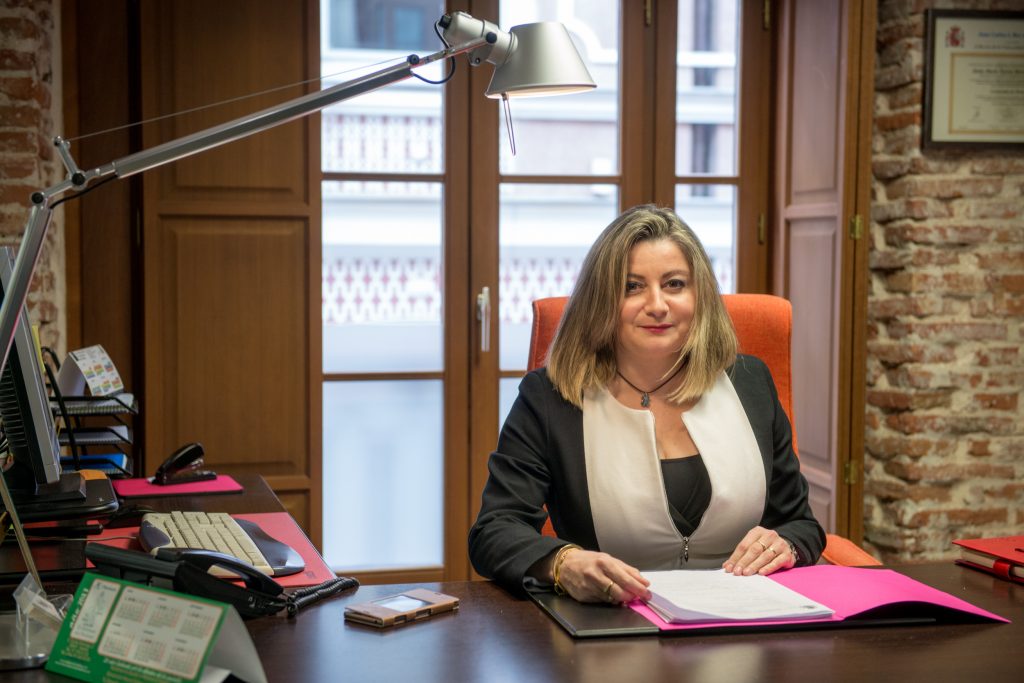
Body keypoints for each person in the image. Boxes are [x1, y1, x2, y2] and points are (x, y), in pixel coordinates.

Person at [468, 204, 825, 603]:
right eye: (632, 287)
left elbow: (800, 524)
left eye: (674, 284)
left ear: (700, 296)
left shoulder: (750, 383)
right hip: (611, 620)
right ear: (600, 300)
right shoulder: (550, 397)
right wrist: (562, 563)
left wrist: (787, 545)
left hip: (748, 618)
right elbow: (494, 531)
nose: (657, 305)